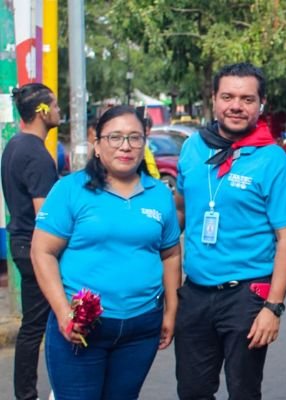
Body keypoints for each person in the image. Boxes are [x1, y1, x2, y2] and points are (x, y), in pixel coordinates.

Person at [30, 105, 181, 399]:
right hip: (81, 328)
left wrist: (172, 311)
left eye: (135, 138)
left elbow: (171, 254)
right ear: (97, 145)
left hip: (141, 328)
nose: (125, 146)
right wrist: (63, 313)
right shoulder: (71, 189)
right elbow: (42, 252)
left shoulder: (160, 194)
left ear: (144, 143)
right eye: (115, 137)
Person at [173, 62, 286, 399]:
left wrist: (273, 308)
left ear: (261, 105)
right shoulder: (193, 148)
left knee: (244, 391)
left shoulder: (273, 160)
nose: (236, 106)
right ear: (213, 100)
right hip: (195, 293)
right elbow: (180, 211)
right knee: (191, 390)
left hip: (246, 296)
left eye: (247, 99)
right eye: (227, 96)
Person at [1, 82, 60, 400]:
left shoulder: (14, 145)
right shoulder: (36, 155)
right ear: (41, 111)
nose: (59, 111)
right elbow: (46, 217)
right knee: (46, 324)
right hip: (36, 248)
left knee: (34, 324)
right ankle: (31, 394)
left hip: (20, 244)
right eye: (55, 105)